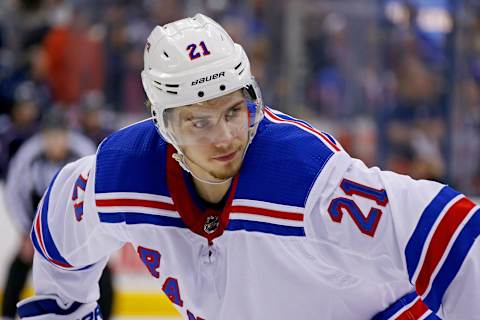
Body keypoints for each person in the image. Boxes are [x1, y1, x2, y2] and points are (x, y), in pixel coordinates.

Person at [17, 14, 479, 320]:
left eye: (234, 110)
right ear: (163, 124)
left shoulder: (304, 177)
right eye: (199, 120)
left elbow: (453, 234)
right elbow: (60, 236)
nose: (224, 136)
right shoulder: (119, 175)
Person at [3, 110, 114, 319]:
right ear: (42, 136)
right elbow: (14, 194)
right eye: (49, 136)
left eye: (59, 136)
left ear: (67, 135)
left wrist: (97, 234)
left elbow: (97, 190)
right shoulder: (29, 155)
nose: (54, 142)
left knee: (102, 268)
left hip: (77, 224)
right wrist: (25, 231)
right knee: (19, 264)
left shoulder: (83, 152)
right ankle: (7, 314)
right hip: (39, 226)